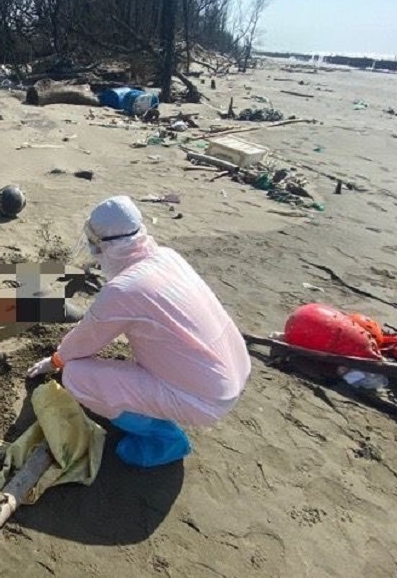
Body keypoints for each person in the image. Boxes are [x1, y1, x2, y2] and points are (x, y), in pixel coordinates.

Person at [26, 196, 251, 466]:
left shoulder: (123, 290)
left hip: (206, 398)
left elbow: (84, 341)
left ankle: (165, 439)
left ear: (103, 245)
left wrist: (55, 361)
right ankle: (160, 405)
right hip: (234, 368)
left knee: (76, 376)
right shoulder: (168, 256)